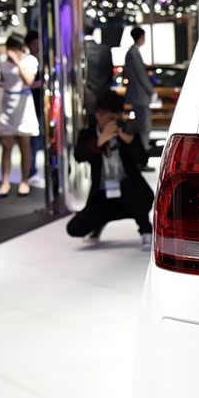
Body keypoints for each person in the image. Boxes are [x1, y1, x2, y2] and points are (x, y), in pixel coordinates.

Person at [66, 91, 154, 250]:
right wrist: (100, 141)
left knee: (135, 194)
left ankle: (145, 228)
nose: (113, 121)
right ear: (98, 115)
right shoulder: (88, 134)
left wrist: (128, 141)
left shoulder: (127, 132)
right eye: (109, 117)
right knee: (75, 228)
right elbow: (79, 156)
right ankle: (98, 224)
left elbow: (143, 160)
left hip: (130, 192)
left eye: (117, 117)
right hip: (102, 194)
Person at [0, 33, 39, 198]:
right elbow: (3, 80)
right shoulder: (3, 63)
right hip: (8, 104)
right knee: (6, 145)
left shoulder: (30, 61)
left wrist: (18, 62)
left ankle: (24, 181)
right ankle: (5, 181)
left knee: (24, 145)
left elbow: (28, 81)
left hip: (24, 105)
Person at [123, 26, 155, 171]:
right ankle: (142, 161)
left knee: (142, 128)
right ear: (141, 37)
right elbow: (141, 76)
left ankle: (141, 160)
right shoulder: (133, 53)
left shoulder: (132, 53)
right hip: (140, 97)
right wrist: (151, 90)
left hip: (138, 97)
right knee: (144, 129)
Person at [83, 20, 114, 126]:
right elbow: (110, 74)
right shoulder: (105, 49)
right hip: (104, 95)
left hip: (86, 96)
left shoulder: (79, 50)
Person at [24, 30, 45, 186]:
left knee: (39, 140)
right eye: (35, 43)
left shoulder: (42, 60)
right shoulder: (28, 62)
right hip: (33, 105)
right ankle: (31, 171)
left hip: (43, 104)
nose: (37, 46)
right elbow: (28, 84)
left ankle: (33, 171)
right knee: (34, 142)